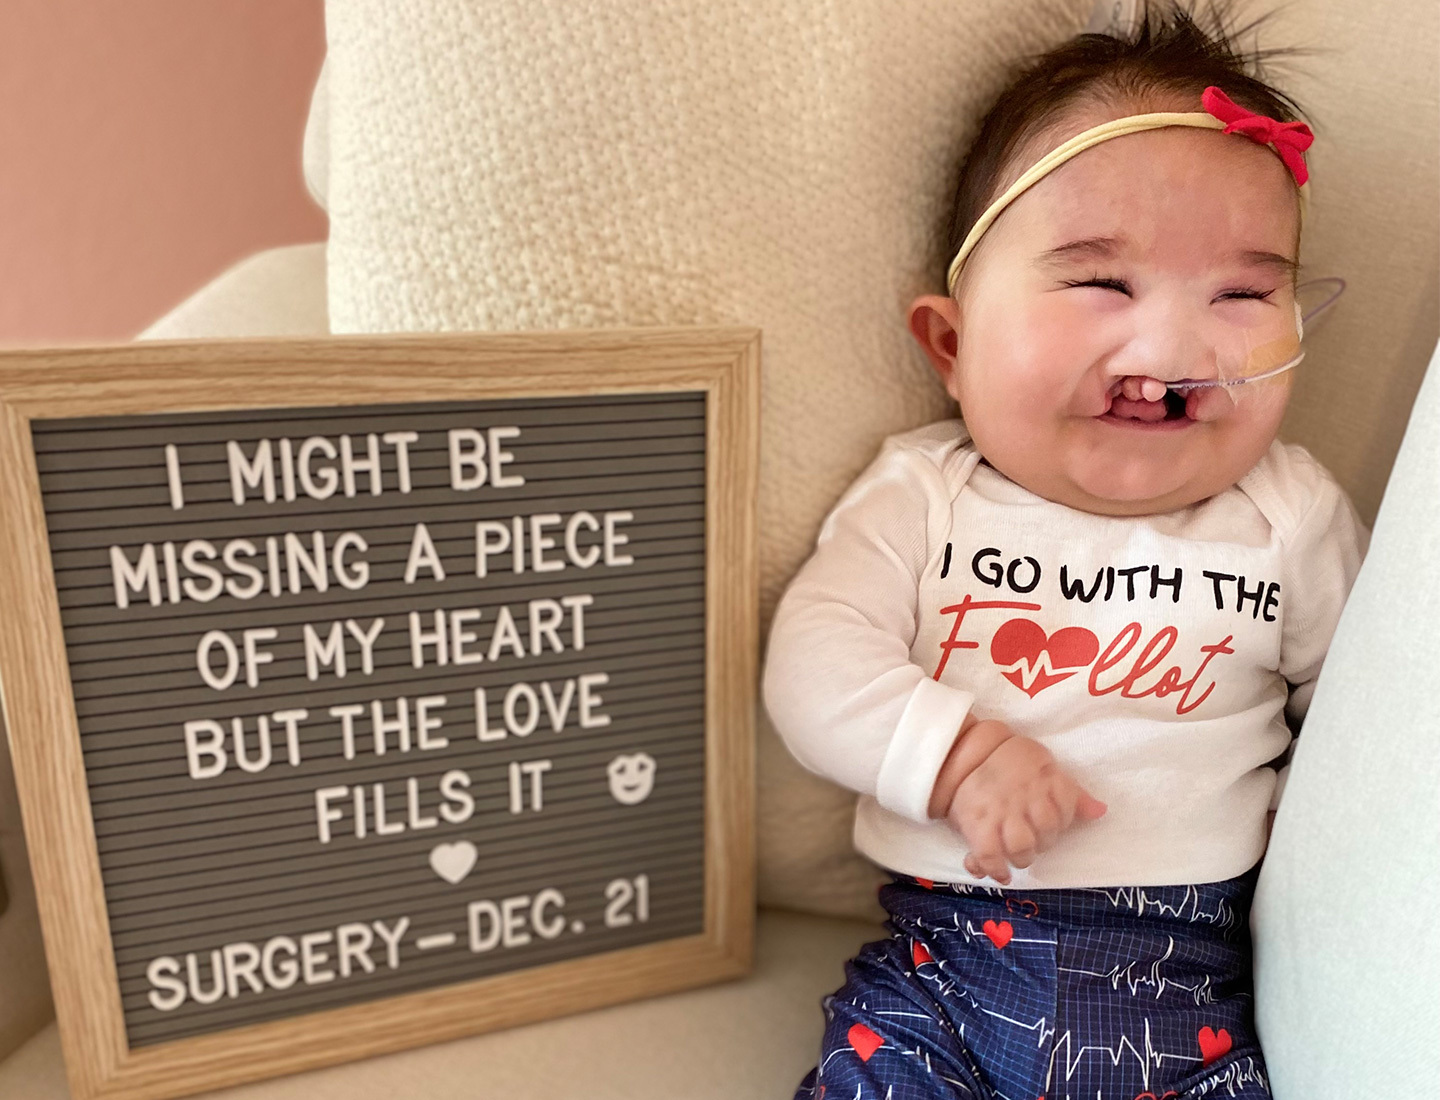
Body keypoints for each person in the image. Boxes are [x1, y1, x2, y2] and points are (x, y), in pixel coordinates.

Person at [762, 5, 1368, 1098]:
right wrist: (957, 757)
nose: (1176, 346)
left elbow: (1372, 711)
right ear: (951, 344)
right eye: (1101, 281)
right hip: (942, 969)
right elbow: (812, 661)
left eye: (1242, 292)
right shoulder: (927, 495)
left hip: (1194, 997)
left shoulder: (1290, 516)